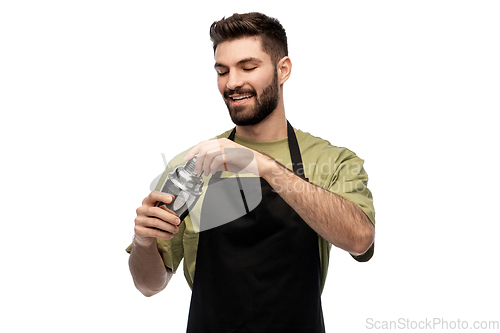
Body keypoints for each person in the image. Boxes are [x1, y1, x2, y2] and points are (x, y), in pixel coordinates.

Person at [127, 12, 375, 332]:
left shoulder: (332, 160)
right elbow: (149, 285)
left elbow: (360, 240)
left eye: (248, 67)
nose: (232, 83)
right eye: (222, 70)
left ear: (282, 69)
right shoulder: (190, 165)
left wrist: (266, 167)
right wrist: (143, 242)